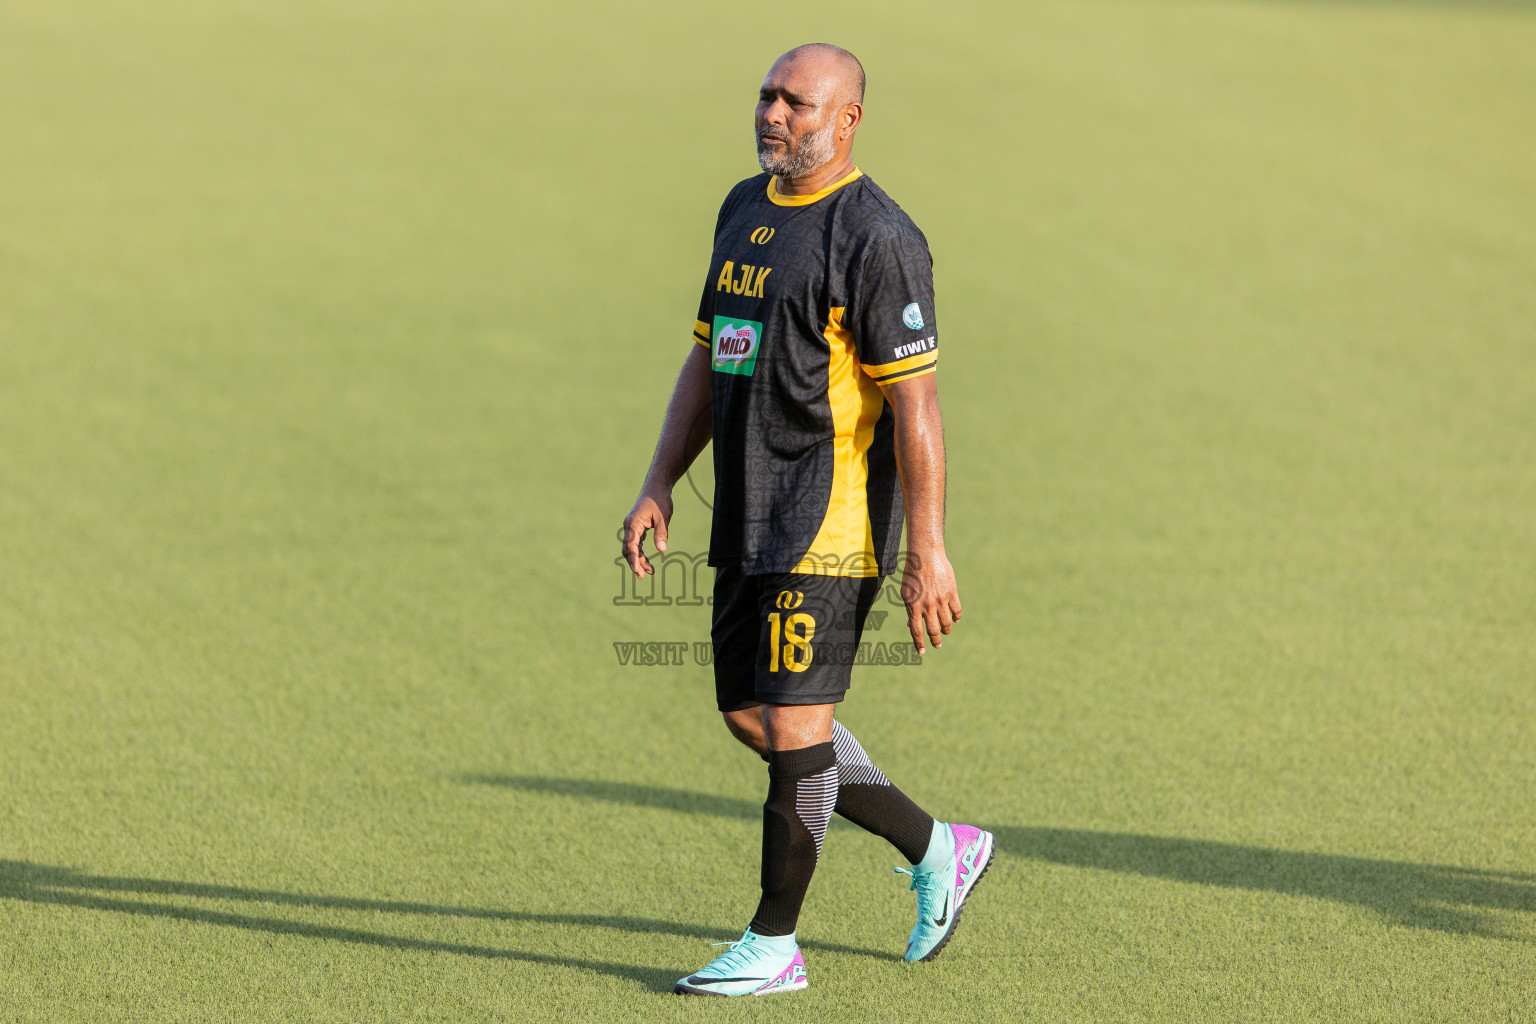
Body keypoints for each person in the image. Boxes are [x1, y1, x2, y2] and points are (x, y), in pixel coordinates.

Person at [620, 42, 993, 998]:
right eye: (767, 95)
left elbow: (918, 405)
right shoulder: (744, 208)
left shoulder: (878, 237)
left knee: (795, 724)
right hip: (743, 514)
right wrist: (661, 478)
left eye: (797, 101)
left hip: (829, 523)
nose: (774, 114)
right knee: (752, 715)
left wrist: (929, 550)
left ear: (848, 119)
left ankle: (774, 942)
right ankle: (936, 846)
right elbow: (711, 356)